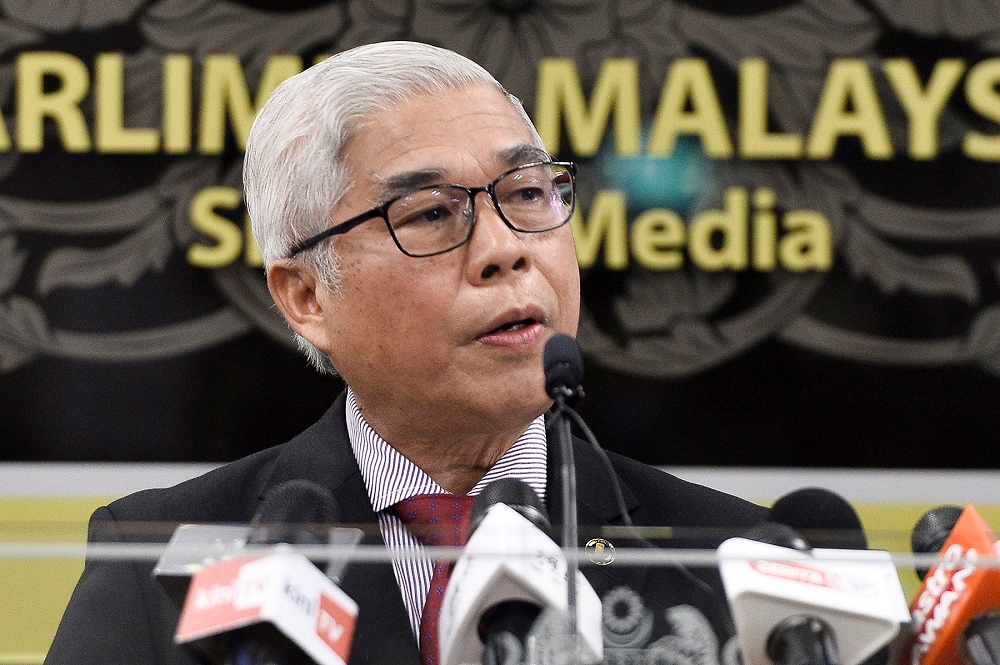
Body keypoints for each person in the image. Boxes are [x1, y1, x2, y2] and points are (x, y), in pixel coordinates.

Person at [45, 41, 767, 665]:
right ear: (306, 296)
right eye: (429, 213)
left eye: (527, 191)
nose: (504, 250)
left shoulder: (731, 561)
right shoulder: (159, 564)